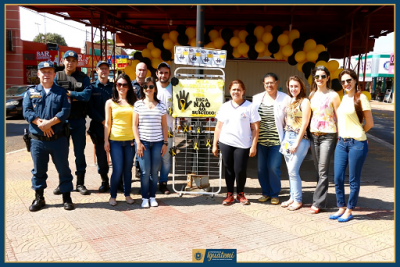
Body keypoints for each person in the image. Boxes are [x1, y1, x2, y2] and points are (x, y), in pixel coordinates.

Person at [22, 61, 75, 211]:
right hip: (37, 141)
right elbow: (26, 111)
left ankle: (66, 197)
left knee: (64, 169)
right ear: (38, 74)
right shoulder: (30, 92)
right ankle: (39, 198)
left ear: (54, 74)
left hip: (58, 140)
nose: (46, 74)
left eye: (49, 72)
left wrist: (50, 124)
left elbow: (65, 112)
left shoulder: (61, 92)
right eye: (43, 72)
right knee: (38, 170)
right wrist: (40, 123)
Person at [329, 69, 374, 222]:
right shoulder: (342, 98)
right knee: (337, 177)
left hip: (357, 143)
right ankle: (341, 207)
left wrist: (359, 133)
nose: (346, 84)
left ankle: (349, 209)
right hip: (341, 143)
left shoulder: (361, 98)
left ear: (355, 80)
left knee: (353, 179)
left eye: (349, 80)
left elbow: (370, 123)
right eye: (343, 82)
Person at [213, 79, 260, 205]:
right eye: (234, 89)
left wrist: (254, 145)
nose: (236, 92)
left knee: (240, 170)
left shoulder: (250, 106)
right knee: (228, 169)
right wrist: (214, 144)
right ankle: (229, 194)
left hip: (243, 144)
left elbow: (255, 128)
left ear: (243, 91)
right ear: (230, 91)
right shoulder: (224, 106)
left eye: (239, 89)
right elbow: (218, 127)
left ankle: (240, 194)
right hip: (226, 142)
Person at [54, 50, 92, 195]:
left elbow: (87, 95)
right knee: (61, 154)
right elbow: (54, 96)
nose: (70, 63)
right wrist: (76, 96)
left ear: (77, 62)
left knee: (79, 153)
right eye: (67, 60)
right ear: (63, 61)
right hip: (61, 122)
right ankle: (63, 183)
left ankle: (80, 183)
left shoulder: (83, 77)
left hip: (78, 121)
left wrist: (69, 94)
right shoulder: (57, 77)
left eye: (73, 60)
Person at [252, 73, 291, 205]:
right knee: (261, 168)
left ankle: (274, 194)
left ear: (277, 82)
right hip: (261, 140)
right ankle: (265, 193)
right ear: (263, 84)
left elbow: (288, 119)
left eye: (271, 82)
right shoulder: (257, 98)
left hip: (276, 141)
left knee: (273, 167)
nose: (269, 85)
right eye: (266, 83)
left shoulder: (285, 98)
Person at [308, 66, 341, 214]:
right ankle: (321, 199)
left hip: (328, 135)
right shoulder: (312, 95)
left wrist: (340, 136)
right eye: (317, 77)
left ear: (328, 78)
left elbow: (339, 117)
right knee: (318, 169)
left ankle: (318, 202)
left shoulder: (333, 95)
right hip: (314, 135)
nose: (319, 79)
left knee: (323, 170)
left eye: (322, 76)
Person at [132, 76, 168, 208]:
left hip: (158, 142)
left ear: (155, 89)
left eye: (151, 86)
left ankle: (152, 196)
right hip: (144, 143)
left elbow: (164, 126)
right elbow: (134, 125)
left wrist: (165, 143)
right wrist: (138, 143)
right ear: (142, 89)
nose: (148, 89)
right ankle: (144, 197)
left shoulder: (161, 105)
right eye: (146, 86)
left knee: (154, 172)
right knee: (145, 171)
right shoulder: (138, 104)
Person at [104, 73, 137, 206]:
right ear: (115, 86)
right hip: (115, 140)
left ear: (129, 87)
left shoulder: (135, 103)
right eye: (119, 84)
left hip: (130, 141)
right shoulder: (110, 102)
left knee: (128, 169)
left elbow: (137, 123)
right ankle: (113, 196)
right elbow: (107, 123)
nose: (122, 87)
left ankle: (127, 194)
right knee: (117, 169)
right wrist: (106, 141)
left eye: (124, 84)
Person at [280, 76, 311, 211]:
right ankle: (292, 197)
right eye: (291, 86)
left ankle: (298, 200)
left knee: (293, 170)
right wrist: (285, 141)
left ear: (301, 87)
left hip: (300, 138)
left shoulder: (305, 102)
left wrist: (296, 143)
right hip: (287, 137)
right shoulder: (289, 100)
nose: (293, 89)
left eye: (296, 86)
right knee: (290, 171)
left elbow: (305, 123)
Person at [87, 61, 113, 192]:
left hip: (114, 128)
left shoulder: (115, 87)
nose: (104, 71)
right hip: (98, 128)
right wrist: (103, 121)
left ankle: (118, 181)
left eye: (106, 69)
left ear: (109, 71)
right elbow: (89, 109)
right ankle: (104, 181)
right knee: (101, 157)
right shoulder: (92, 88)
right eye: (101, 68)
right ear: (96, 71)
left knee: (116, 155)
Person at [156, 62, 173, 194]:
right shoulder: (151, 87)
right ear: (157, 74)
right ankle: (151, 183)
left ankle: (163, 183)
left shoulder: (175, 89)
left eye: (166, 72)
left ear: (170, 74)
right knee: (154, 158)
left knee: (166, 158)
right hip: (153, 129)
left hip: (169, 129)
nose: (163, 75)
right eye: (161, 72)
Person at [131, 62, 148, 178]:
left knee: (142, 145)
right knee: (132, 145)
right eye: (139, 70)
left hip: (145, 122)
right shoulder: (129, 85)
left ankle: (139, 167)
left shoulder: (150, 85)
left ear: (146, 71)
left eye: (143, 70)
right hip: (131, 121)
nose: (141, 72)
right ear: (136, 71)